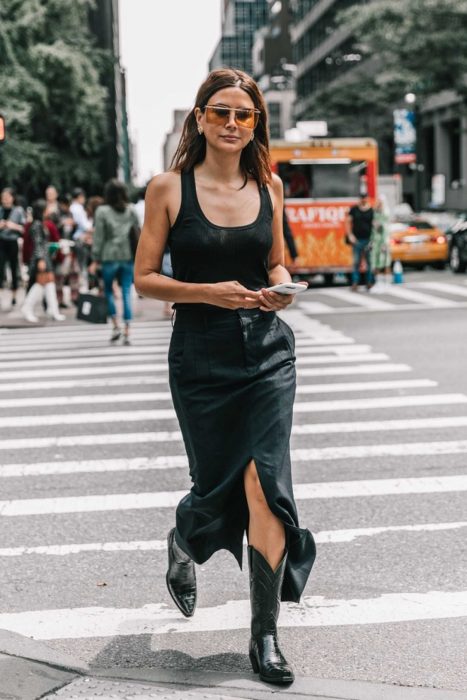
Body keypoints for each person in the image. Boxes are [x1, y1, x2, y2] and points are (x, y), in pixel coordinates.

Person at [134, 68, 315, 685]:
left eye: (245, 114)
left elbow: (276, 259)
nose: (233, 124)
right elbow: (146, 278)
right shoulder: (168, 189)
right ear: (201, 119)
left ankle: (264, 637)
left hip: (267, 354)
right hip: (202, 355)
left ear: (256, 122)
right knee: (215, 483)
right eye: (221, 113)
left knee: (265, 484)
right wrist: (208, 292)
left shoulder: (270, 185)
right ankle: (185, 537)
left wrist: (282, 286)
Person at [89, 179, 140, 345]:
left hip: (108, 256)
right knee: (126, 291)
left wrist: (95, 259)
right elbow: (138, 230)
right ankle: (127, 330)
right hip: (127, 256)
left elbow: (99, 237)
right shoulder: (131, 210)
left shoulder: (102, 211)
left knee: (109, 292)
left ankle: (115, 326)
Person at [21, 199, 66, 323]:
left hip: (44, 257)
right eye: (46, 208)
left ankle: (53, 310)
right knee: (41, 283)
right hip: (40, 258)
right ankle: (28, 307)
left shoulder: (40, 223)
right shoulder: (36, 224)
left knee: (49, 283)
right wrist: (41, 259)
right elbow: (38, 244)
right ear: (42, 211)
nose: (49, 210)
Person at [0, 187, 26, 309]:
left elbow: (24, 228)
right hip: (1, 241)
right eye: (3, 197)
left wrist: (12, 226)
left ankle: (14, 296)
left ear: (12, 197)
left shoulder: (18, 210)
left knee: (13, 266)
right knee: (0, 267)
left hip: (13, 241)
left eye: (7, 196)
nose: (5, 199)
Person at [346, 193, 374, 291]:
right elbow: (348, 222)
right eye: (362, 198)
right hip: (357, 240)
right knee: (356, 262)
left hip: (368, 239)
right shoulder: (354, 209)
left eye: (365, 198)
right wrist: (350, 235)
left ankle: (369, 282)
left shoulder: (371, 210)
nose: (363, 200)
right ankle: (355, 283)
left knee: (369, 262)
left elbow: (373, 224)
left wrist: (373, 239)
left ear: (367, 199)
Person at [370, 197, 391, 292]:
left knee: (385, 262)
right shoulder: (375, 213)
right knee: (376, 262)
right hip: (376, 241)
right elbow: (373, 230)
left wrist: (385, 243)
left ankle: (387, 283)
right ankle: (379, 283)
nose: (378, 203)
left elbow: (386, 230)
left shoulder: (385, 213)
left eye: (380, 202)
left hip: (383, 241)